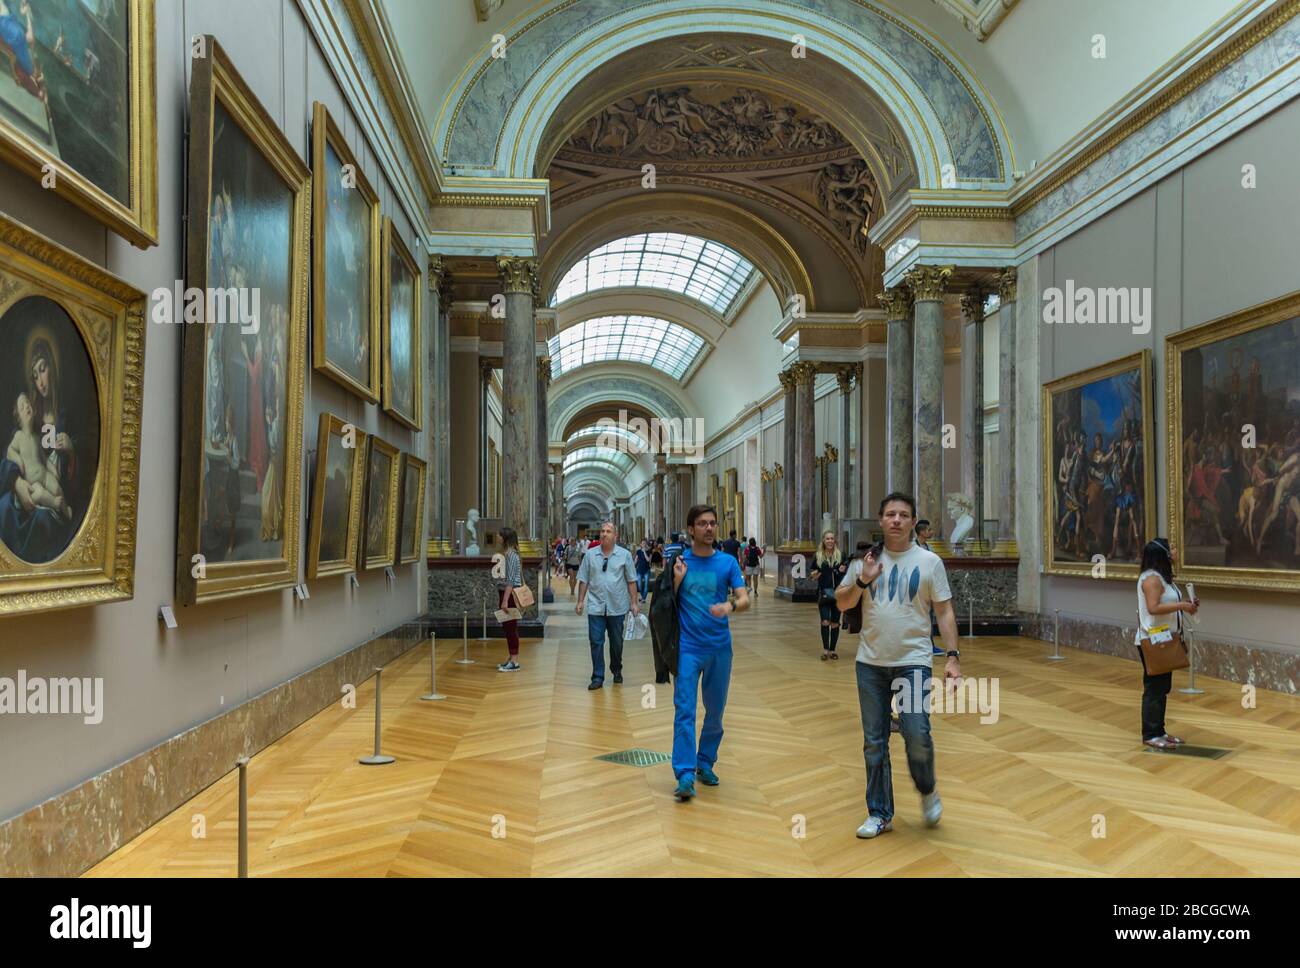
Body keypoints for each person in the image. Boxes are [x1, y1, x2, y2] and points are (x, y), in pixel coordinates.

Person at [835, 492, 961, 839]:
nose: (896, 520)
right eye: (890, 514)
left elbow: (944, 611)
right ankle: (879, 813)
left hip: (913, 662)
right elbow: (842, 603)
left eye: (903, 515)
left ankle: (927, 788)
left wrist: (952, 658)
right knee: (874, 741)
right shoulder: (864, 561)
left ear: (912, 521)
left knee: (917, 733)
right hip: (870, 663)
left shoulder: (930, 562)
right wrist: (863, 579)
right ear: (880, 520)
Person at [670, 504, 749, 802]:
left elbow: (745, 599)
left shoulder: (727, 563)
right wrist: (676, 581)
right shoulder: (680, 563)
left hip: (719, 648)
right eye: (702, 524)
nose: (709, 528)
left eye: (712, 523)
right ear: (691, 529)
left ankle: (705, 761)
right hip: (688, 649)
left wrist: (729, 606)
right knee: (685, 710)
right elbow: (665, 603)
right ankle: (685, 773)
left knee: (715, 711)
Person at [1135, 538, 1197, 749]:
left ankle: (1159, 731)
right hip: (1154, 640)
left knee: (1162, 687)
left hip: (1164, 639)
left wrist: (1186, 605)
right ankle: (1151, 734)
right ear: (1162, 553)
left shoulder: (1162, 578)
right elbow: (1153, 608)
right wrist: (1182, 605)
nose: (1175, 550)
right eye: (1171, 547)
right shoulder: (1151, 579)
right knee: (1154, 688)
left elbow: (1166, 604)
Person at [576, 521, 640, 689]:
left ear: (615, 536)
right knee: (596, 641)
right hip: (596, 606)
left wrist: (634, 602)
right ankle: (598, 676)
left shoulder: (624, 555)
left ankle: (616, 669)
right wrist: (580, 601)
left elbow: (631, 581)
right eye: (602, 531)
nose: (604, 534)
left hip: (617, 606)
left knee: (616, 642)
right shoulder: (590, 555)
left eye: (608, 531)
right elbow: (583, 579)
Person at [810, 530, 847, 660]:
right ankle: (825, 650)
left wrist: (842, 571)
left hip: (838, 594)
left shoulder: (841, 555)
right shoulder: (818, 556)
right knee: (825, 621)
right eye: (827, 539)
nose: (830, 541)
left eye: (832, 538)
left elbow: (847, 573)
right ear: (824, 541)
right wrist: (815, 575)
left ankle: (833, 650)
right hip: (824, 593)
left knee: (835, 623)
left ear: (835, 541)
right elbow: (813, 573)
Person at [496, 527, 525, 672]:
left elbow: (511, 580)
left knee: (511, 628)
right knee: (507, 628)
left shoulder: (512, 555)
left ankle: (514, 661)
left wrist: (505, 600)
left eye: (499, 535)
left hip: (510, 595)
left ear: (505, 538)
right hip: (505, 593)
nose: (497, 537)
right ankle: (511, 656)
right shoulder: (507, 554)